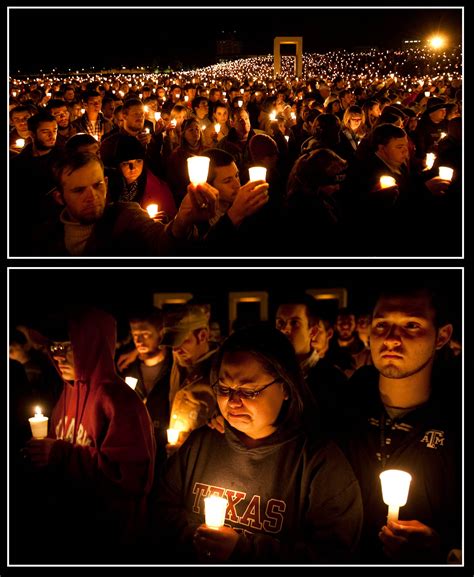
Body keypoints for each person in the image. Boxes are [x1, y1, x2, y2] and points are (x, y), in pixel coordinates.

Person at [152, 324, 363, 563]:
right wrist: (199, 540)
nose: (232, 402)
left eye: (249, 391)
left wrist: (244, 550)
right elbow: (160, 512)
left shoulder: (319, 463)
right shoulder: (200, 445)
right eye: (224, 388)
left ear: (285, 386)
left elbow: (335, 553)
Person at [20, 306, 156, 563]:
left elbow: (132, 477)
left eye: (68, 347)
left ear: (93, 344)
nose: (58, 356)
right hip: (71, 536)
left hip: (111, 542)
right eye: (54, 347)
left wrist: (60, 454)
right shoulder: (66, 394)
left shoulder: (120, 402)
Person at [340, 286, 461, 564]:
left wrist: (446, 553)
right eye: (382, 325)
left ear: (442, 336)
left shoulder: (456, 415)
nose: (392, 339)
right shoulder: (343, 404)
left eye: (411, 325)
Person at [30, 151, 218, 256]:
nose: (92, 196)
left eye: (97, 185)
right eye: (79, 190)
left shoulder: (126, 215)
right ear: (59, 197)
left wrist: (182, 221)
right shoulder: (43, 239)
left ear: (107, 183)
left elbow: (160, 242)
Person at [275, 295, 348, 436]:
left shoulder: (333, 380)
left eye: (294, 323)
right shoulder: (266, 372)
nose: (285, 329)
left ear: (312, 331)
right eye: (280, 323)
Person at [121, 306, 173, 475]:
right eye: (135, 335)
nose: (139, 341)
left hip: (166, 455)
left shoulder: (174, 369)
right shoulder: (126, 369)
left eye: (145, 334)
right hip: (135, 453)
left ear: (160, 332)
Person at [160, 304, 218, 449]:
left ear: (203, 335)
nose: (175, 349)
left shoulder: (220, 370)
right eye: (172, 343)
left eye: (181, 341)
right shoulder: (178, 361)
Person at [108, 134, 177, 220]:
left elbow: (173, 220)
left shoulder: (159, 188)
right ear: (118, 165)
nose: (133, 168)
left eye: (138, 161)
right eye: (126, 163)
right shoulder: (109, 188)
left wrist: (160, 223)